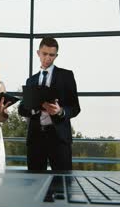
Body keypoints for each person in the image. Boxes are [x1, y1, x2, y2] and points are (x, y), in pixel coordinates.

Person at [18, 37, 80, 170]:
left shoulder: (66, 76)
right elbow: (22, 109)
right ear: (38, 53)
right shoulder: (31, 80)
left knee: (63, 182)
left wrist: (61, 111)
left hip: (59, 139)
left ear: (56, 55)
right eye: (44, 54)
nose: (47, 58)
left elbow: (75, 108)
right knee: (34, 184)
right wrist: (35, 109)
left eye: (52, 55)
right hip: (36, 138)